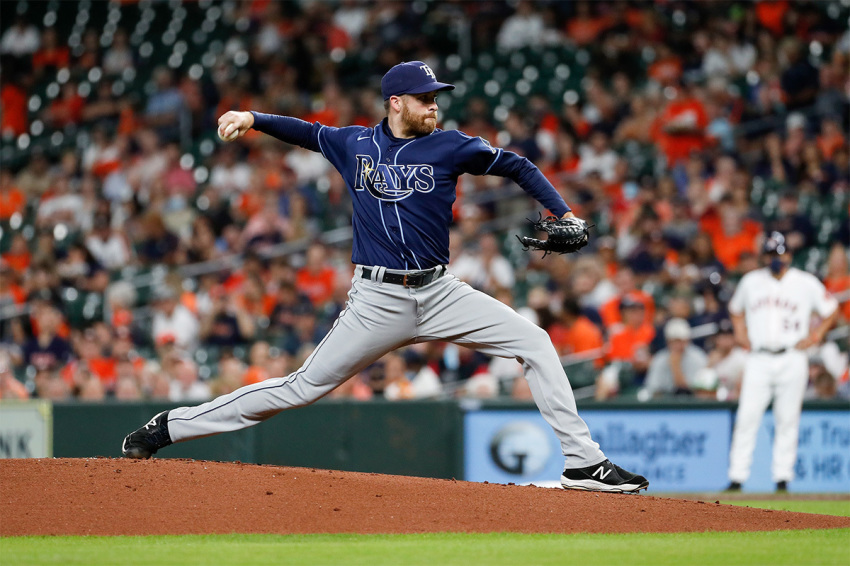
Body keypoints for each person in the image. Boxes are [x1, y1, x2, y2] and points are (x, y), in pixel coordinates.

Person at [122, 61, 648, 493]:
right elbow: (305, 131)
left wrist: (563, 213)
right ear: (395, 102)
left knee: (534, 341)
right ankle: (170, 426)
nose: (434, 105)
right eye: (425, 98)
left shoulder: (451, 145)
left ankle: (584, 463)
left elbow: (517, 166)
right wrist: (252, 116)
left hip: (440, 292)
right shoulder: (353, 144)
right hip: (377, 299)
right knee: (300, 388)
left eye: (436, 97)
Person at [726, 232, 839, 493]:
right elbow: (735, 310)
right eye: (770, 254)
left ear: (788, 255)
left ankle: (782, 478)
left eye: (778, 253)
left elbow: (831, 309)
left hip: (792, 356)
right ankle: (736, 477)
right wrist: (740, 332)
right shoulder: (751, 281)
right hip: (759, 356)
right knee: (746, 417)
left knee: (787, 420)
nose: (775, 259)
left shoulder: (804, 282)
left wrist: (816, 335)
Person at [640, 318, 708, 399]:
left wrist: (676, 366)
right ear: (668, 342)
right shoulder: (660, 358)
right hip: (665, 406)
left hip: (693, 406)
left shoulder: (698, 357)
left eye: (680, 341)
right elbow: (652, 389)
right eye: (674, 341)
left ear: (687, 340)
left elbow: (698, 392)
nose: (678, 345)